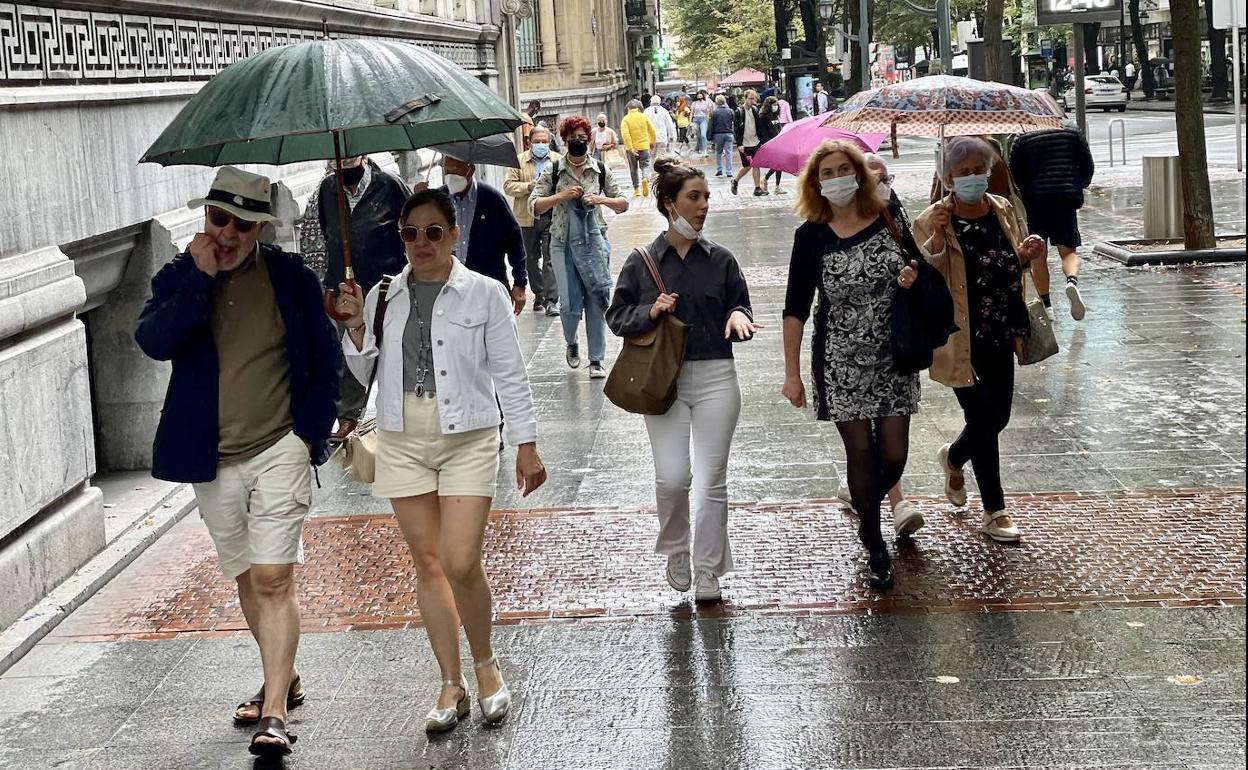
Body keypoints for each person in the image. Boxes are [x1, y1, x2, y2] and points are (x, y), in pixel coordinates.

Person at [135, 167, 340, 757]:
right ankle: (285, 675)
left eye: (241, 224)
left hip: (279, 446)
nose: (226, 233)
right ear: (206, 216)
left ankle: (273, 713)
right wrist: (198, 282)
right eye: (218, 219)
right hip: (210, 458)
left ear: (259, 230)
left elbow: (322, 361)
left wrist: (308, 437)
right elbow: (153, 341)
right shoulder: (177, 276)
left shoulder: (289, 279)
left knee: (275, 577)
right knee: (249, 579)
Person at [337, 188, 546, 735]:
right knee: (426, 564)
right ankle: (450, 682)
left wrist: (525, 442)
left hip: (468, 436)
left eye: (433, 232)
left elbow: (510, 373)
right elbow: (365, 374)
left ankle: (486, 665)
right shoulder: (387, 295)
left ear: (454, 235)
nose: (421, 243)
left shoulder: (484, 293)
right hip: (402, 435)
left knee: (458, 560)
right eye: (411, 233)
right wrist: (356, 327)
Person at [607, 156, 759, 603]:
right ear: (669, 204)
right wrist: (648, 311)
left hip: (717, 375)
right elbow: (616, 316)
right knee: (673, 477)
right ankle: (676, 548)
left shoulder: (722, 260)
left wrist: (737, 317)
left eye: (707, 197)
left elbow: (742, 304)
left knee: (712, 479)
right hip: (663, 381)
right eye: (694, 197)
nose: (703, 205)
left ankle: (710, 567)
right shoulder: (642, 262)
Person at [780, 140, 926, 590]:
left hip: (894, 353)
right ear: (815, 183)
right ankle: (873, 538)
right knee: (860, 451)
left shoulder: (887, 215)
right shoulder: (811, 235)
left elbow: (917, 263)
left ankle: (867, 505)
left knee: (894, 454)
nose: (837, 178)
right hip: (840, 357)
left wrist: (912, 275)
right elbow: (795, 307)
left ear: (860, 173)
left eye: (845, 169)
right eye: (827, 173)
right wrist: (791, 373)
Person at [912, 137, 1048, 545]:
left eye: (978, 169)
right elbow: (923, 270)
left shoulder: (1002, 209)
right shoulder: (934, 218)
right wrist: (935, 237)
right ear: (948, 176)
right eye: (963, 171)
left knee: (998, 417)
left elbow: (1008, 263)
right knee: (984, 422)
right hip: (959, 336)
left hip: (1001, 330)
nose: (972, 177)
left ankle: (953, 457)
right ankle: (995, 510)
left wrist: (1027, 254)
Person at [530, 115, 631, 379]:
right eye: (573, 137)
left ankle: (596, 359)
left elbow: (623, 203)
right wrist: (560, 196)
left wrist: (601, 199)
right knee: (570, 304)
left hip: (594, 243)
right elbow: (534, 204)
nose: (578, 141)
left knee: (596, 300)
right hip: (562, 244)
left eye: (582, 137)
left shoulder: (599, 169)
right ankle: (571, 340)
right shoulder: (553, 170)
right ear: (564, 140)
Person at [318, 154, 409, 441]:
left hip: (386, 286)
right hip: (345, 288)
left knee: (394, 349)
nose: (345, 160)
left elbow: (409, 228)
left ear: (364, 155)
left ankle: (402, 408)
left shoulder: (389, 185)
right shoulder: (327, 190)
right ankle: (348, 416)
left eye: (351, 153)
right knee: (350, 350)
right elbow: (326, 230)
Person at [1007, 121, 1094, 320]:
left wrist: (1028, 191)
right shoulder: (1072, 131)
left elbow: (1015, 174)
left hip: (1035, 202)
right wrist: (1077, 184)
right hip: (1065, 199)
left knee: (1038, 254)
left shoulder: (1022, 137)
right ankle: (1071, 281)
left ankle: (1047, 306)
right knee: (1068, 251)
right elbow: (1087, 165)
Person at [430, 156, 528, 316]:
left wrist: (519, 283)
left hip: (488, 284)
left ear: (471, 170)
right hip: (447, 288)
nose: (451, 176)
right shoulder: (435, 200)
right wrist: (417, 200)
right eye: (447, 171)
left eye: (456, 171)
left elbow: (514, 240)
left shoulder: (491, 198)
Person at [503, 125, 562, 317]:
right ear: (529, 142)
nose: (541, 145)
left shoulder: (558, 160)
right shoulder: (518, 161)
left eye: (544, 142)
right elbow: (508, 186)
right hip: (526, 217)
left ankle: (552, 300)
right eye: (537, 142)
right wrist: (529, 186)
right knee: (529, 258)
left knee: (551, 258)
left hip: (552, 215)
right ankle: (539, 294)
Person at [731, 89, 766, 197]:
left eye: (754, 98)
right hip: (745, 144)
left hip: (755, 142)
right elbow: (737, 129)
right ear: (745, 99)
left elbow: (759, 127)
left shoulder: (755, 110)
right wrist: (739, 144)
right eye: (750, 98)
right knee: (747, 166)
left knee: (756, 165)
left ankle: (757, 188)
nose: (753, 101)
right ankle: (735, 181)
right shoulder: (739, 111)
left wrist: (762, 141)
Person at [621, 99, 656, 197]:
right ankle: (645, 178)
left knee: (633, 169)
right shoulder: (644, 117)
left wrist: (630, 147)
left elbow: (625, 135)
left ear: (628, 108)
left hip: (631, 149)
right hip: (644, 146)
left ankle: (636, 189)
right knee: (645, 165)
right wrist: (652, 142)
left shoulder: (626, 119)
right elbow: (652, 130)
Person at [757, 95, 785, 195]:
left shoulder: (775, 115)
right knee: (777, 164)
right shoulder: (763, 116)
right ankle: (766, 179)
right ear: (769, 105)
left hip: (779, 141)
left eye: (777, 105)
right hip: (771, 143)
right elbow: (762, 131)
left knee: (779, 164)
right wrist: (768, 143)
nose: (776, 106)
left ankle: (775, 185)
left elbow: (778, 127)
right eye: (774, 105)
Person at [709, 95, 736, 177]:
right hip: (729, 133)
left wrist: (709, 135)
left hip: (718, 134)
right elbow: (733, 122)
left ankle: (719, 169)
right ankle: (729, 171)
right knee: (728, 153)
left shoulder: (714, 112)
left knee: (718, 152)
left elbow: (711, 125)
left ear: (717, 102)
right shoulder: (730, 111)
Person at [690, 89, 714, 157]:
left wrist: (707, 120)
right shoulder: (694, 103)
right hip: (696, 119)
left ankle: (705, 150)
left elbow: (708, 112)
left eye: (700, 94)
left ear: (703, 95)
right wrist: (690, 121)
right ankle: (700, 149)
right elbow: (691, 113)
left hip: (703, 119)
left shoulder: (706, 103)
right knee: (699, 136)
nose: (699, 95)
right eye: (698, 94)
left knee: (703, 135)